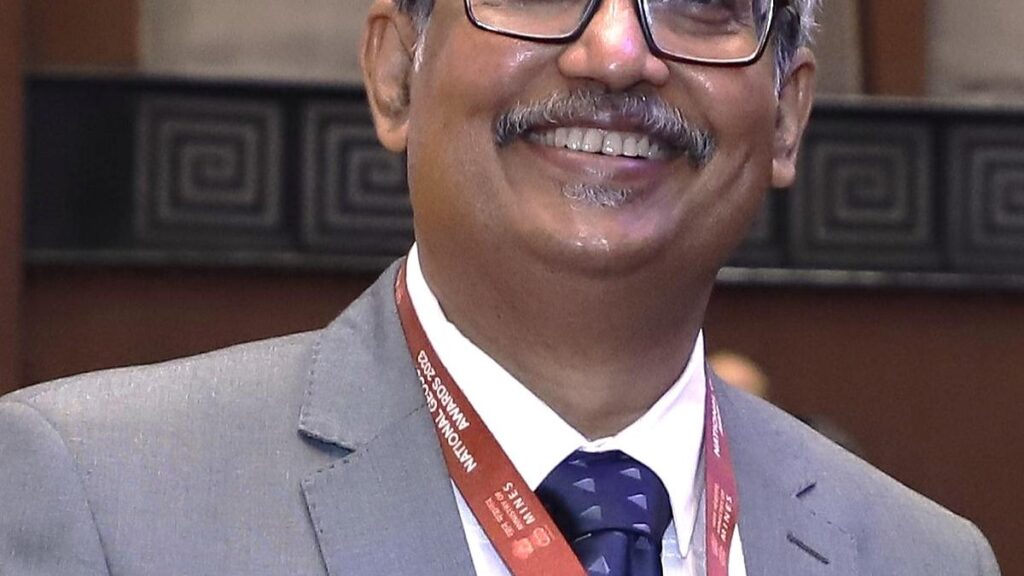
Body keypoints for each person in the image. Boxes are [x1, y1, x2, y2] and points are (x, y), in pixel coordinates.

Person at [0, 0, 1001, 574]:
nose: (617, 52)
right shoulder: (96, 496)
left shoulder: (920, 557)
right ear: (396, 73)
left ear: (785, 117)